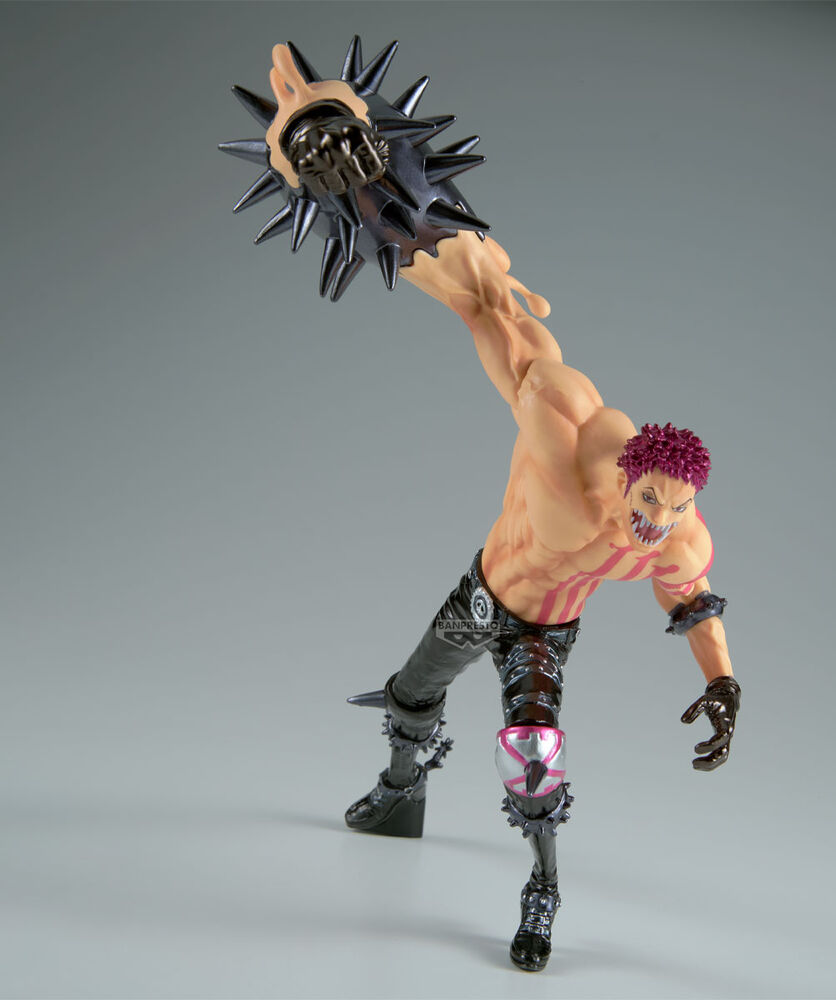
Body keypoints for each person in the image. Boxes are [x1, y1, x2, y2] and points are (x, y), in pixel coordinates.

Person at [222, 37, 742, 974]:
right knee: (412, 694)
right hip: (481, 592)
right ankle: (398, 793)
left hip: (544, 630)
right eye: (651, 500)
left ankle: (542, 888)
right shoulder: (566, 432)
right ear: (629, 473)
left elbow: (692, 600)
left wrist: (722, 681)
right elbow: (493, 312)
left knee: (532, 750)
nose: (657, 522)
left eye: (675, 509)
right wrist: (369, 181)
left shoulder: (676, 535)